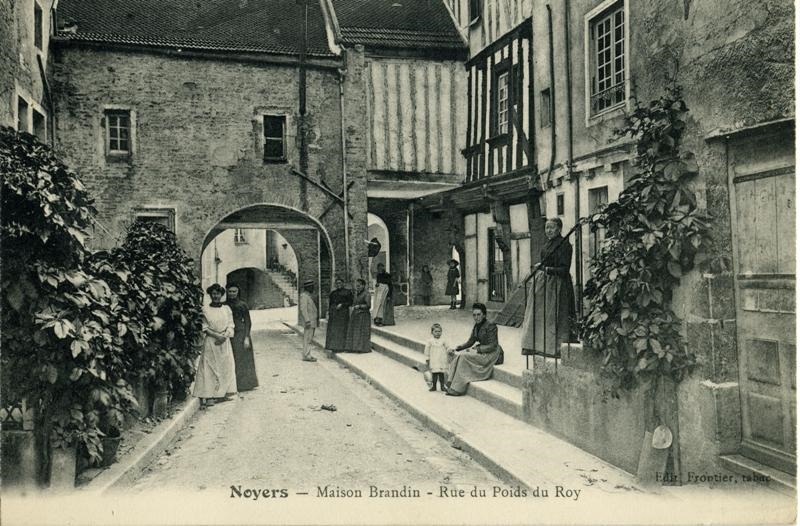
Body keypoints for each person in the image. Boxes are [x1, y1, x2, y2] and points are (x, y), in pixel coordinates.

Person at [521, 217, 576, 357]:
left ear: (559, 228)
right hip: (543, 284)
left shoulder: (564, 245)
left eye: (552, 227)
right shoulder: (547, 244)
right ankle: (534, 345)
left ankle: (553, 348)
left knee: (554, 316)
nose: (549, 231)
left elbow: (564, 269)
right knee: (538, 315)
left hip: (557, 285)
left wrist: (546, 269)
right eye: (547, 228)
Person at [192, 284, 237, 408]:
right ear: (210, 295)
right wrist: (217, 336)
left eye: (218, 293)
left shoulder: (226, 309)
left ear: (222, 295)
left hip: (224, 341)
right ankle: (208, 395)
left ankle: (221, 393)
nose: (216, 296)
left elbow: (231, 324)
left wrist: (225, 336)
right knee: (209, 367)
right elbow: (204, 327)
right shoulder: (205, 309)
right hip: (211, 341)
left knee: (225, 366)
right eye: (214, 293)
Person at [446, 303, 502, 396]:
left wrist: (478, 349)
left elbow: (493, 345)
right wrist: (457, 348)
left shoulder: (491, 326)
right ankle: (450, 382)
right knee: (460, 356)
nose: (476, 317)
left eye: (478, 314)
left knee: (464, 358)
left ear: (484, 315)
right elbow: (470, 342)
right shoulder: (476, 326)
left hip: (492, 353)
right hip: (482, 350)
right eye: (474, 315)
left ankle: (458, 389)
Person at [226, 284, 259, 391]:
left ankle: (244, 384)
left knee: (243, 359)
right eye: (230, 291)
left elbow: (248, 322)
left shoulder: (242, 305)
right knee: (231, 359)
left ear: (238, 292)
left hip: (240, 334)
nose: (232, 294)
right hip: (229, 334)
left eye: (234, 291)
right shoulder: (224, 305)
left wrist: (246, 337)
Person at [325, 278, 353, 352]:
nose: (338, 285)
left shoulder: (347, 292)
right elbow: (330, 303)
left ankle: (342, 347)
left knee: (342, 330)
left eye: (340, 283)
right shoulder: (333, 293)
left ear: (343, 284)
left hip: (343, 314)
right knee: (334, 330)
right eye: (337, 283)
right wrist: (329, 312)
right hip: (334, 314)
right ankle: (334, 346)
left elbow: (350, 302)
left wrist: (342, 304)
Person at [345, 279, 371, 353]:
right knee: (354, 331)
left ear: (363, 285)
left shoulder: (367, 294)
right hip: (356, 314)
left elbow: (368, 305)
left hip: (363, 315)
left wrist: (359, 306)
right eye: (357, 286)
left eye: (359, 286)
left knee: (361, 332)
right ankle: (354, 347)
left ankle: (362, 348)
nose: (357, 287)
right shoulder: (357, 294)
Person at [424, 323, 451, 392]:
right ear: (432, 332)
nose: (438, 333)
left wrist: (449, 350)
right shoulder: (430, 341)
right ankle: (434, 386)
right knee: (434, 373)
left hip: (441, 359)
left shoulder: (443, 340)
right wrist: (427, 358)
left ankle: (442, 386)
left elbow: (447, 347)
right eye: (436, 331)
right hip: (434, 360)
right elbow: (427, 350)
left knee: (441, 373)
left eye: (439, 331)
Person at [299, 280, 318, 362]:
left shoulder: (308, 296)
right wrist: (307, 320)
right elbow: (303, 309)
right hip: (309, 321)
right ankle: (306, 355)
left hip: (311, 321)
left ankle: (307, 354)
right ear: (308, 288)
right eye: (311, 287)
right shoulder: (304, 296)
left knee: (309, 338)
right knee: (308, 338)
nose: (313, 288)